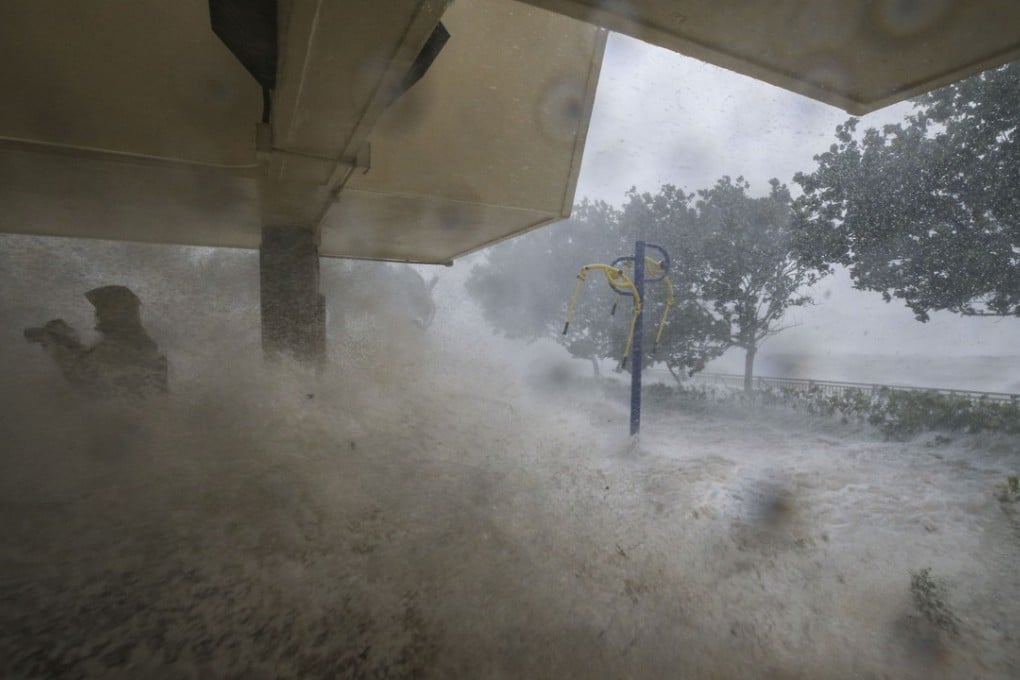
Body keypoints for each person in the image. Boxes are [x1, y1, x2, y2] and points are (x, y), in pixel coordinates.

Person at [24, 285, 168, 398]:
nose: (98, 314)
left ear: (119, 310)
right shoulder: (131, 341)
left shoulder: (128, 343)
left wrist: (58, 343)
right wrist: (67, 342)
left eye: (103, 307)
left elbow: (83, 378)